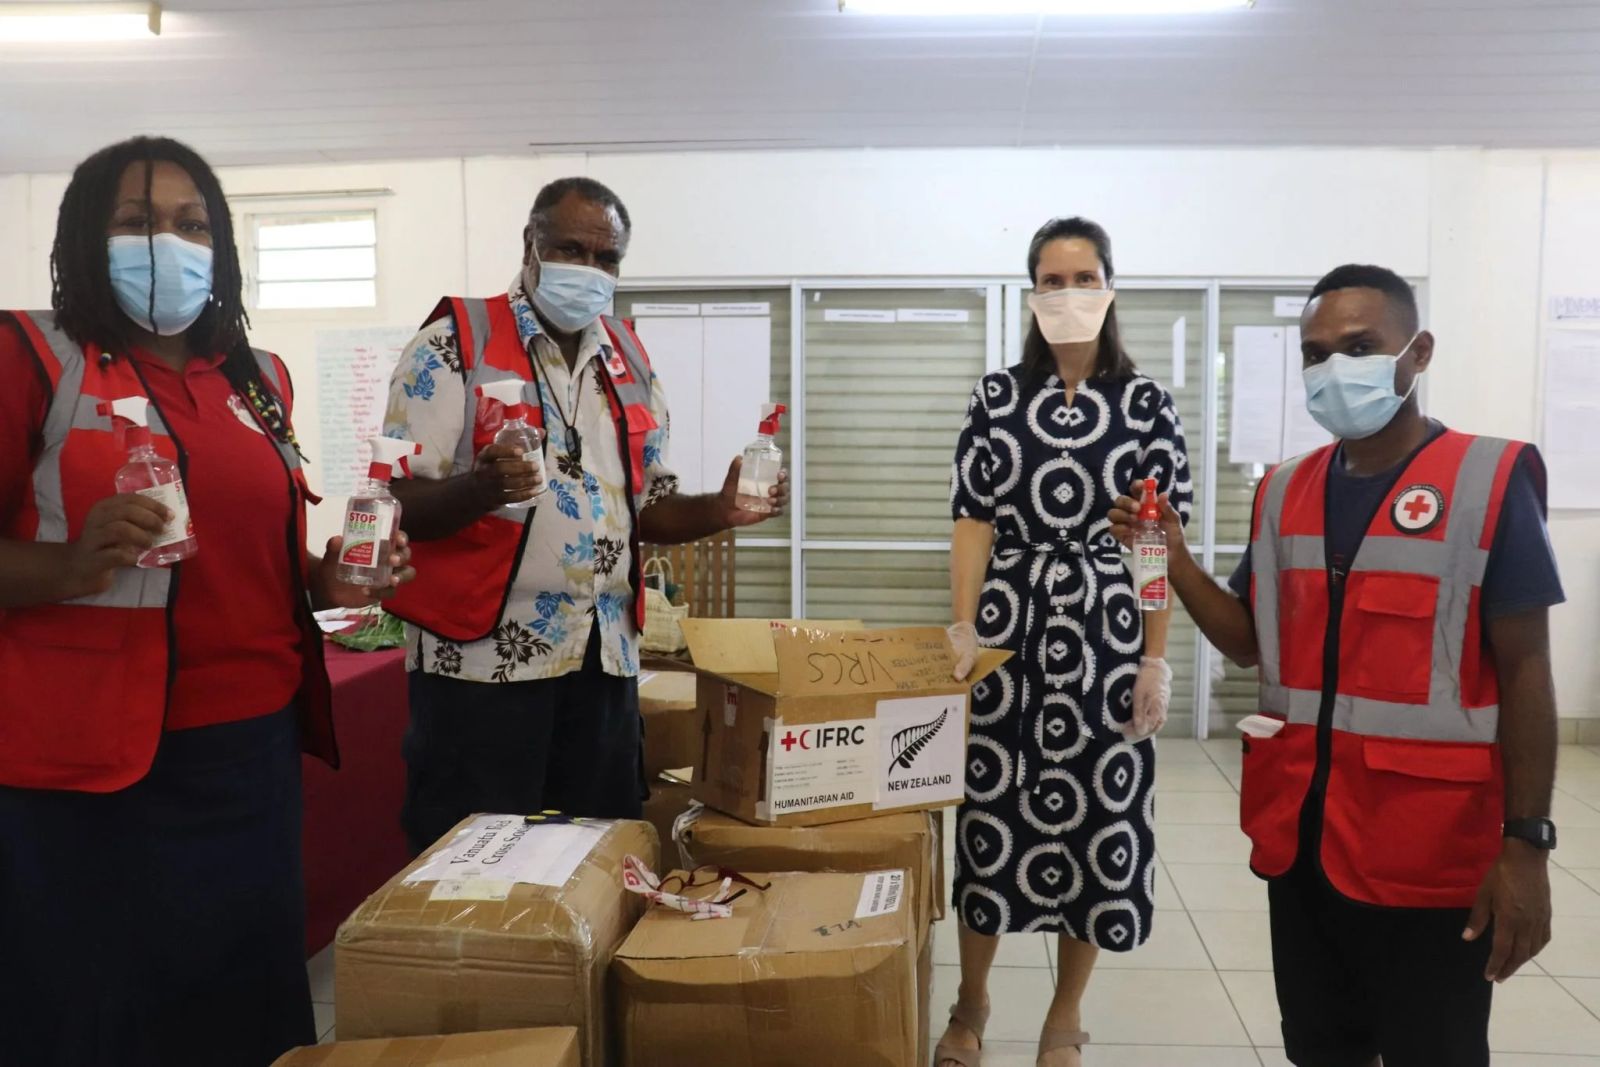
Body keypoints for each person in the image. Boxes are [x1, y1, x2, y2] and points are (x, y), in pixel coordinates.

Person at [0, 136, 414, 1067]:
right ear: (83, 236)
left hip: (250, 755)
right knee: (99, 1018)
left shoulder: (256, 378)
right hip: (93, 770)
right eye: (137, 221)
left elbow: (256, 551)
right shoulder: (33, 355)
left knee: (241, 1013)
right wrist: (65, 568)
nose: (167, 243)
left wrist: (333, 580)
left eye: (192, 224)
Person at [1111, 264, 1562, 1067]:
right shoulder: (1286, 491)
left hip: (1430, 854)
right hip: (1306, 841)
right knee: (1321, 1047)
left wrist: (1526, 844)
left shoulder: (1488, 480)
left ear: (1416, 352)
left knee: (1435, 1050)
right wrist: (1170, 556)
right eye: (1315, 355)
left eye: (1359, 346)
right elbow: (1250, 640)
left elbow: (1527, 669)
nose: (1332, 370)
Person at [382, 176, 787, 853]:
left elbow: (645, 507)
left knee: (596, 866)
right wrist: (481, 488)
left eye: (607, 259)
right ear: (530, 245)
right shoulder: (456, 343)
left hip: (603, 664)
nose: (590, 271)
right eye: (572, 249)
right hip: (482, 669)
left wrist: (718, 509)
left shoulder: (626, 357)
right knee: (477, 871)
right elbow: (394, 503)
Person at [939, 217, 1193, 1067]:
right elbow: (973, 518)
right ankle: (971, 1002)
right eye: (1052, 279)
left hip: (1106, 634)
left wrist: (1156, 655)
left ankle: (1063, 1014)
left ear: (1110, 285)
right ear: (1031, 293)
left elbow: (1158, 540)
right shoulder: (998, 397)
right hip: (1010, 630)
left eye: (1084, 277)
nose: (1069, 293)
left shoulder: (1147, 402)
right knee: (991, 814)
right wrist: (964, 620)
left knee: (1097, 815)